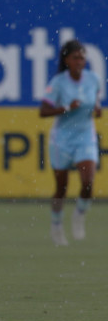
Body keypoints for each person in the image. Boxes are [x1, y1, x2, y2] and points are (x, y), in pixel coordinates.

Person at [40, 39, 101, 246]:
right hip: (62, 140)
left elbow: (95, 99)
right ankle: (56, 224)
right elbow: (43, 111)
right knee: (61, 188)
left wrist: (97, 108)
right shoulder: (59, 82)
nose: (80, 61)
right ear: (66, 60)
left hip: (85, 136)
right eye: (75, 57)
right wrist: (66, 107)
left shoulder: (93, 79)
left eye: (82, 57)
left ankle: (79, 214)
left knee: (88, 181)